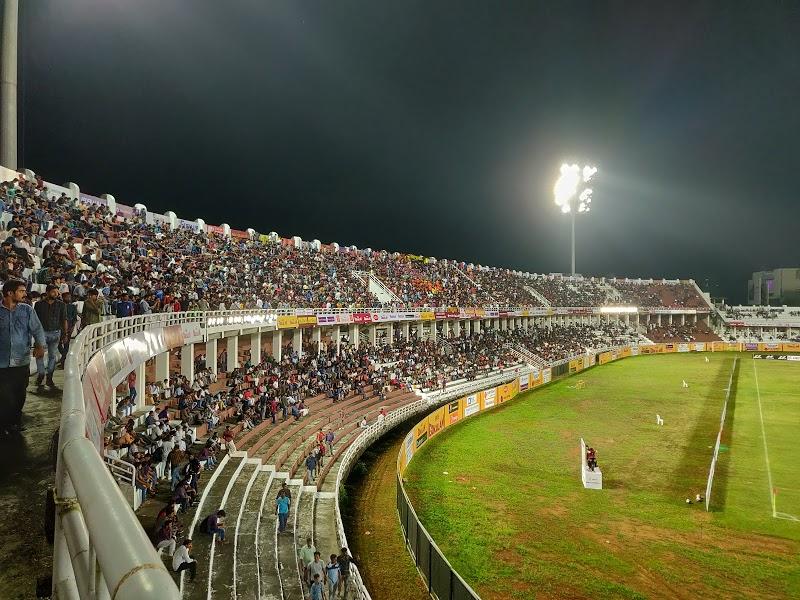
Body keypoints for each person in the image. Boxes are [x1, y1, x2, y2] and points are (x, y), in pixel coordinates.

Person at [0, 279, 46, 433]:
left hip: (21, 361)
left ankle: (15, 421)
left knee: (19, 394)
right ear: (9, 293)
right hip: (2, 363)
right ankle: (5, 424)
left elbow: (37, 329)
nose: (24, 294)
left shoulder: (27, 310)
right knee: (4, 396)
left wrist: (40, 345)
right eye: (21, 291)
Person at [33, 284, 66, 388]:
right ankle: (41, 374)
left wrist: (65, 334)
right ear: (47, 292)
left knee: (52, 356)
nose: (56, 294)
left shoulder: (61, 305)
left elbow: (64, 319)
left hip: (56, 333)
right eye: (53, 292)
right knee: (40, 354)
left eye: (57, 292)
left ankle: (49, 376)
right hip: (41, 333)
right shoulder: (38, 304)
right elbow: (35, 320)